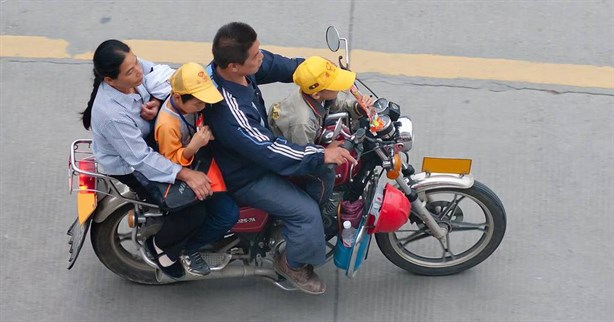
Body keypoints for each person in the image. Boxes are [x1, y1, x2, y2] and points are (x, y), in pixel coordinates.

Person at [203, 22, 356, 295]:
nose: (261, 57)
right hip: (246, 173)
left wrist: (322, 73)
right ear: (234, 66)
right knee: (306, 213)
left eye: (258, 50)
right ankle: (292, 264)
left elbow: (281, 66)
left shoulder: (235, 70)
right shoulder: (230, 110)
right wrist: (321, 154)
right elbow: (268, 150)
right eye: (255, 55)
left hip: (254, 152)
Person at [81, 39, 214, 279]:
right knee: (194, 211)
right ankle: (161, 248)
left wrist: (158, 101)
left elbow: (159, 75)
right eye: (130, 71)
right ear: (110, 80)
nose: (138, 70)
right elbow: (140, 159)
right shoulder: (111, 115)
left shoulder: (133, 69)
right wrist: (185, 174)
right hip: (130, 165)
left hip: (150, 139)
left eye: (136, 62)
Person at [267, 56, 374, 234]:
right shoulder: (302, 122)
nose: (339, 87)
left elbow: (338, 104)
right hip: (289, 156)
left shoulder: (314, 94)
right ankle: (314, 212)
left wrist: (359, 107)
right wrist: (326, 151)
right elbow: (303, 157)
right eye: (334, 85)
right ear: (317, 94)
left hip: (303, 140)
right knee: (325, 175)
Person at [154, 62, 240, 276]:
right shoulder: (167, 125)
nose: (202, 107)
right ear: (177, 98)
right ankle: (189, 248)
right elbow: (171, 162)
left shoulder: (189, 105)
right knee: (227, 214)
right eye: (197, 105)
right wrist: (193, 146)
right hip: (187, 172)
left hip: (203, 161)